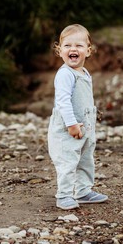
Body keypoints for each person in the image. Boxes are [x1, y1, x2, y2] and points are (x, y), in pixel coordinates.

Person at [48, 24, 108, 210]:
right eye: (67, 46)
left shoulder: (84, 73)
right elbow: (63, 102)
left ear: (88, 51)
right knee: (68, 161)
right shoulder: (65, 74)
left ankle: (83, 191)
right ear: (59, 51)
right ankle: (64, 195)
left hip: (85, 126)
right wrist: (71, 124)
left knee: (85, 159)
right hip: (68, 128)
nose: (73, 49)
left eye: (79, 46)